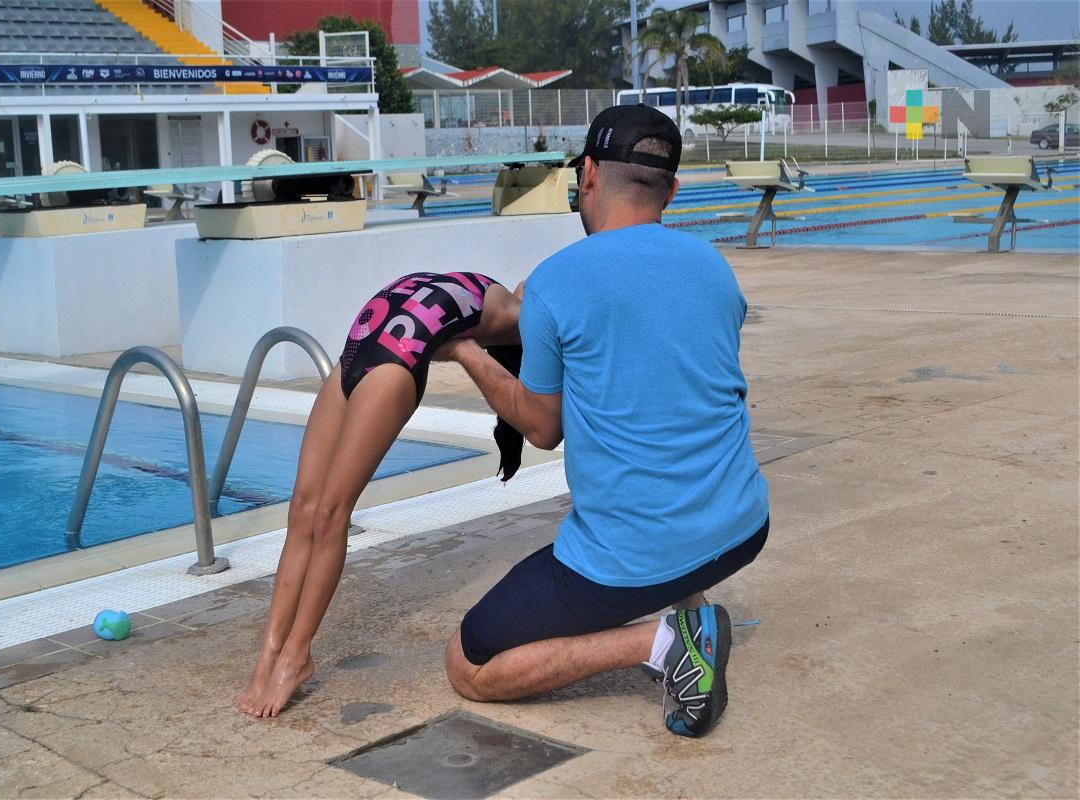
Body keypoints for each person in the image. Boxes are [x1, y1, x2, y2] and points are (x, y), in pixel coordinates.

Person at [436, 105, 770, 737]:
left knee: (469, 663)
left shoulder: (559, 281)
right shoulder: (714, 267)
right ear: (670, 189)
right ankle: (689, 606)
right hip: (741, 526)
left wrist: (465, 354)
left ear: (586, 175)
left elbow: (540, 428)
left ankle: (666, 645)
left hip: (634, 557)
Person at [236, 271, 524, 717]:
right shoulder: (502, 297)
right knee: (301, 510)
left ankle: (296, 656)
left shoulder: (516, 316)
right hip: (355, 356)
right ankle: (268, 652)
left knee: (330, 513)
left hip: (393, 369)